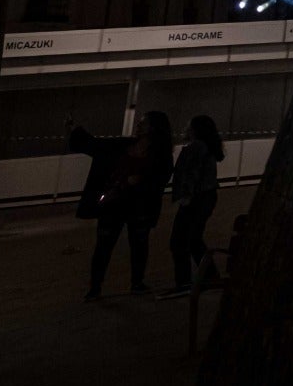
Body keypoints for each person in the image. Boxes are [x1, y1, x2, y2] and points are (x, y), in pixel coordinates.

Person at [71, 110, 175, 300]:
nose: (138, 125)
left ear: (152, 128)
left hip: (132, 205)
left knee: (128, 245)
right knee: (112, 245)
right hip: (120, 204)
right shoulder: (152, 153)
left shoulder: (147, 152)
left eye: (143, 123)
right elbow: (97, 145)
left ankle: (108, 285)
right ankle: (104, 285)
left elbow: (98, 147)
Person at [157, 115, 224, 298]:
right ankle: (210, 277)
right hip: (205, 197)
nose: (186, 128)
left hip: (196, 198)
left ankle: (184, 282)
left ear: (195, 129)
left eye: (189, 125)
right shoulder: (206, 147)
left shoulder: (196, 148)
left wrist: (186, 195)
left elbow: (191, 173)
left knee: (180, 240)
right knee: (193, 239)